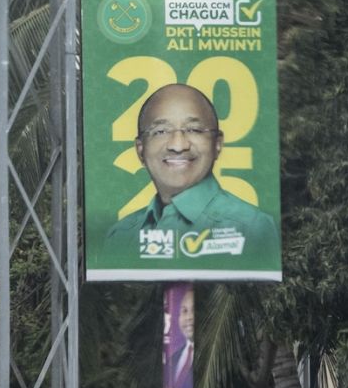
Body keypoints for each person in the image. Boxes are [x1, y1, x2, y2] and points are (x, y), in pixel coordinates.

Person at [104, 84, 280, 262]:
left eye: (194, 130)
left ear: (217, 144)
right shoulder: (120, 236)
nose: (178, 145)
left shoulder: (250, 228)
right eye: (161, 131)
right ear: (140, 150)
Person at [165, 289, 195, 384]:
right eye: (184, 311)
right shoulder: (172, 359)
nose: (189, 317)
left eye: (194, 310)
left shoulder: (211, 355)